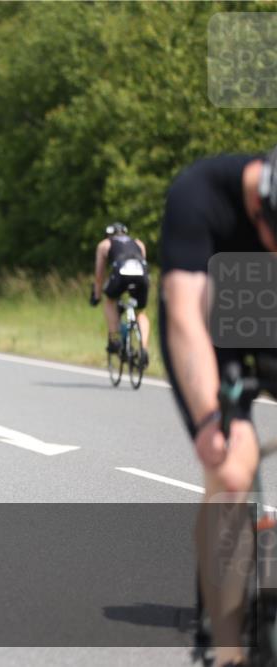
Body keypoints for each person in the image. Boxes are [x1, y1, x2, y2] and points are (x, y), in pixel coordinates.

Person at [160, 146, 277, 667]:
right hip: (207, 320)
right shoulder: (198, 194)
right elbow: (184, 316)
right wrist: (212, 418)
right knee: (231, 470)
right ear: (259, 209)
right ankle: (224, 644)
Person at [89, 221, 151, 367]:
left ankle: (115, 338)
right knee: (141, 313)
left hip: (121, 273)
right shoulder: (138, 243)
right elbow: (144, 264)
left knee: (110, 301)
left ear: (108, 234)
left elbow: (99, 275)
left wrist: (96, 296)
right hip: (141, 275)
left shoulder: (104, 244)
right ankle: (144, 348)